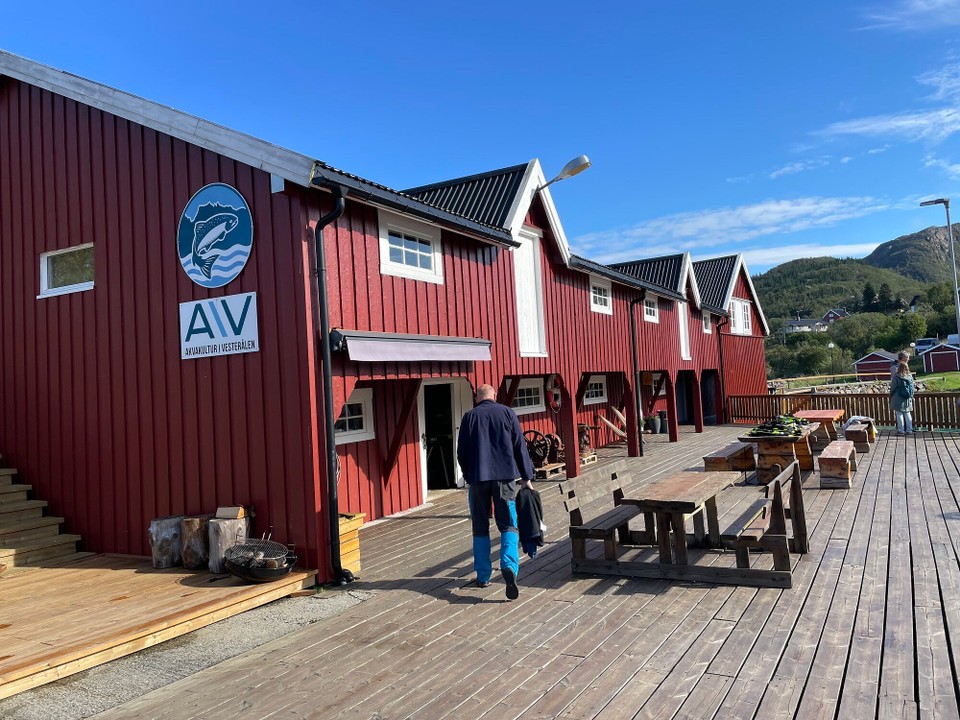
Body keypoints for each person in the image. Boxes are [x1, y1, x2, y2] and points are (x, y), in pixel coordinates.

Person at [456, 383, 535, 600]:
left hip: (478, 480)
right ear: (495, 395)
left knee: (479, 526)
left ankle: (483, 575)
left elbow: (461, 452)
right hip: (504, 479)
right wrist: (527, 477)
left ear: (477, 398)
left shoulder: (469, 417)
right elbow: (520, 445)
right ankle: (509, 567)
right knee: (509, 524)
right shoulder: (507, 413)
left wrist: (469, 474)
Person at [890, 361, 915, 435]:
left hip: (898, 397)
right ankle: (909, 429)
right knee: (907, 413)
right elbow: (912, 388)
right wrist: (911, 396)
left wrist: (891, 394)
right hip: (907, 397)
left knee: (899, 413)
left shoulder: (896, 376)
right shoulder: (910, 376)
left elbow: (893, 387)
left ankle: (901, 430)